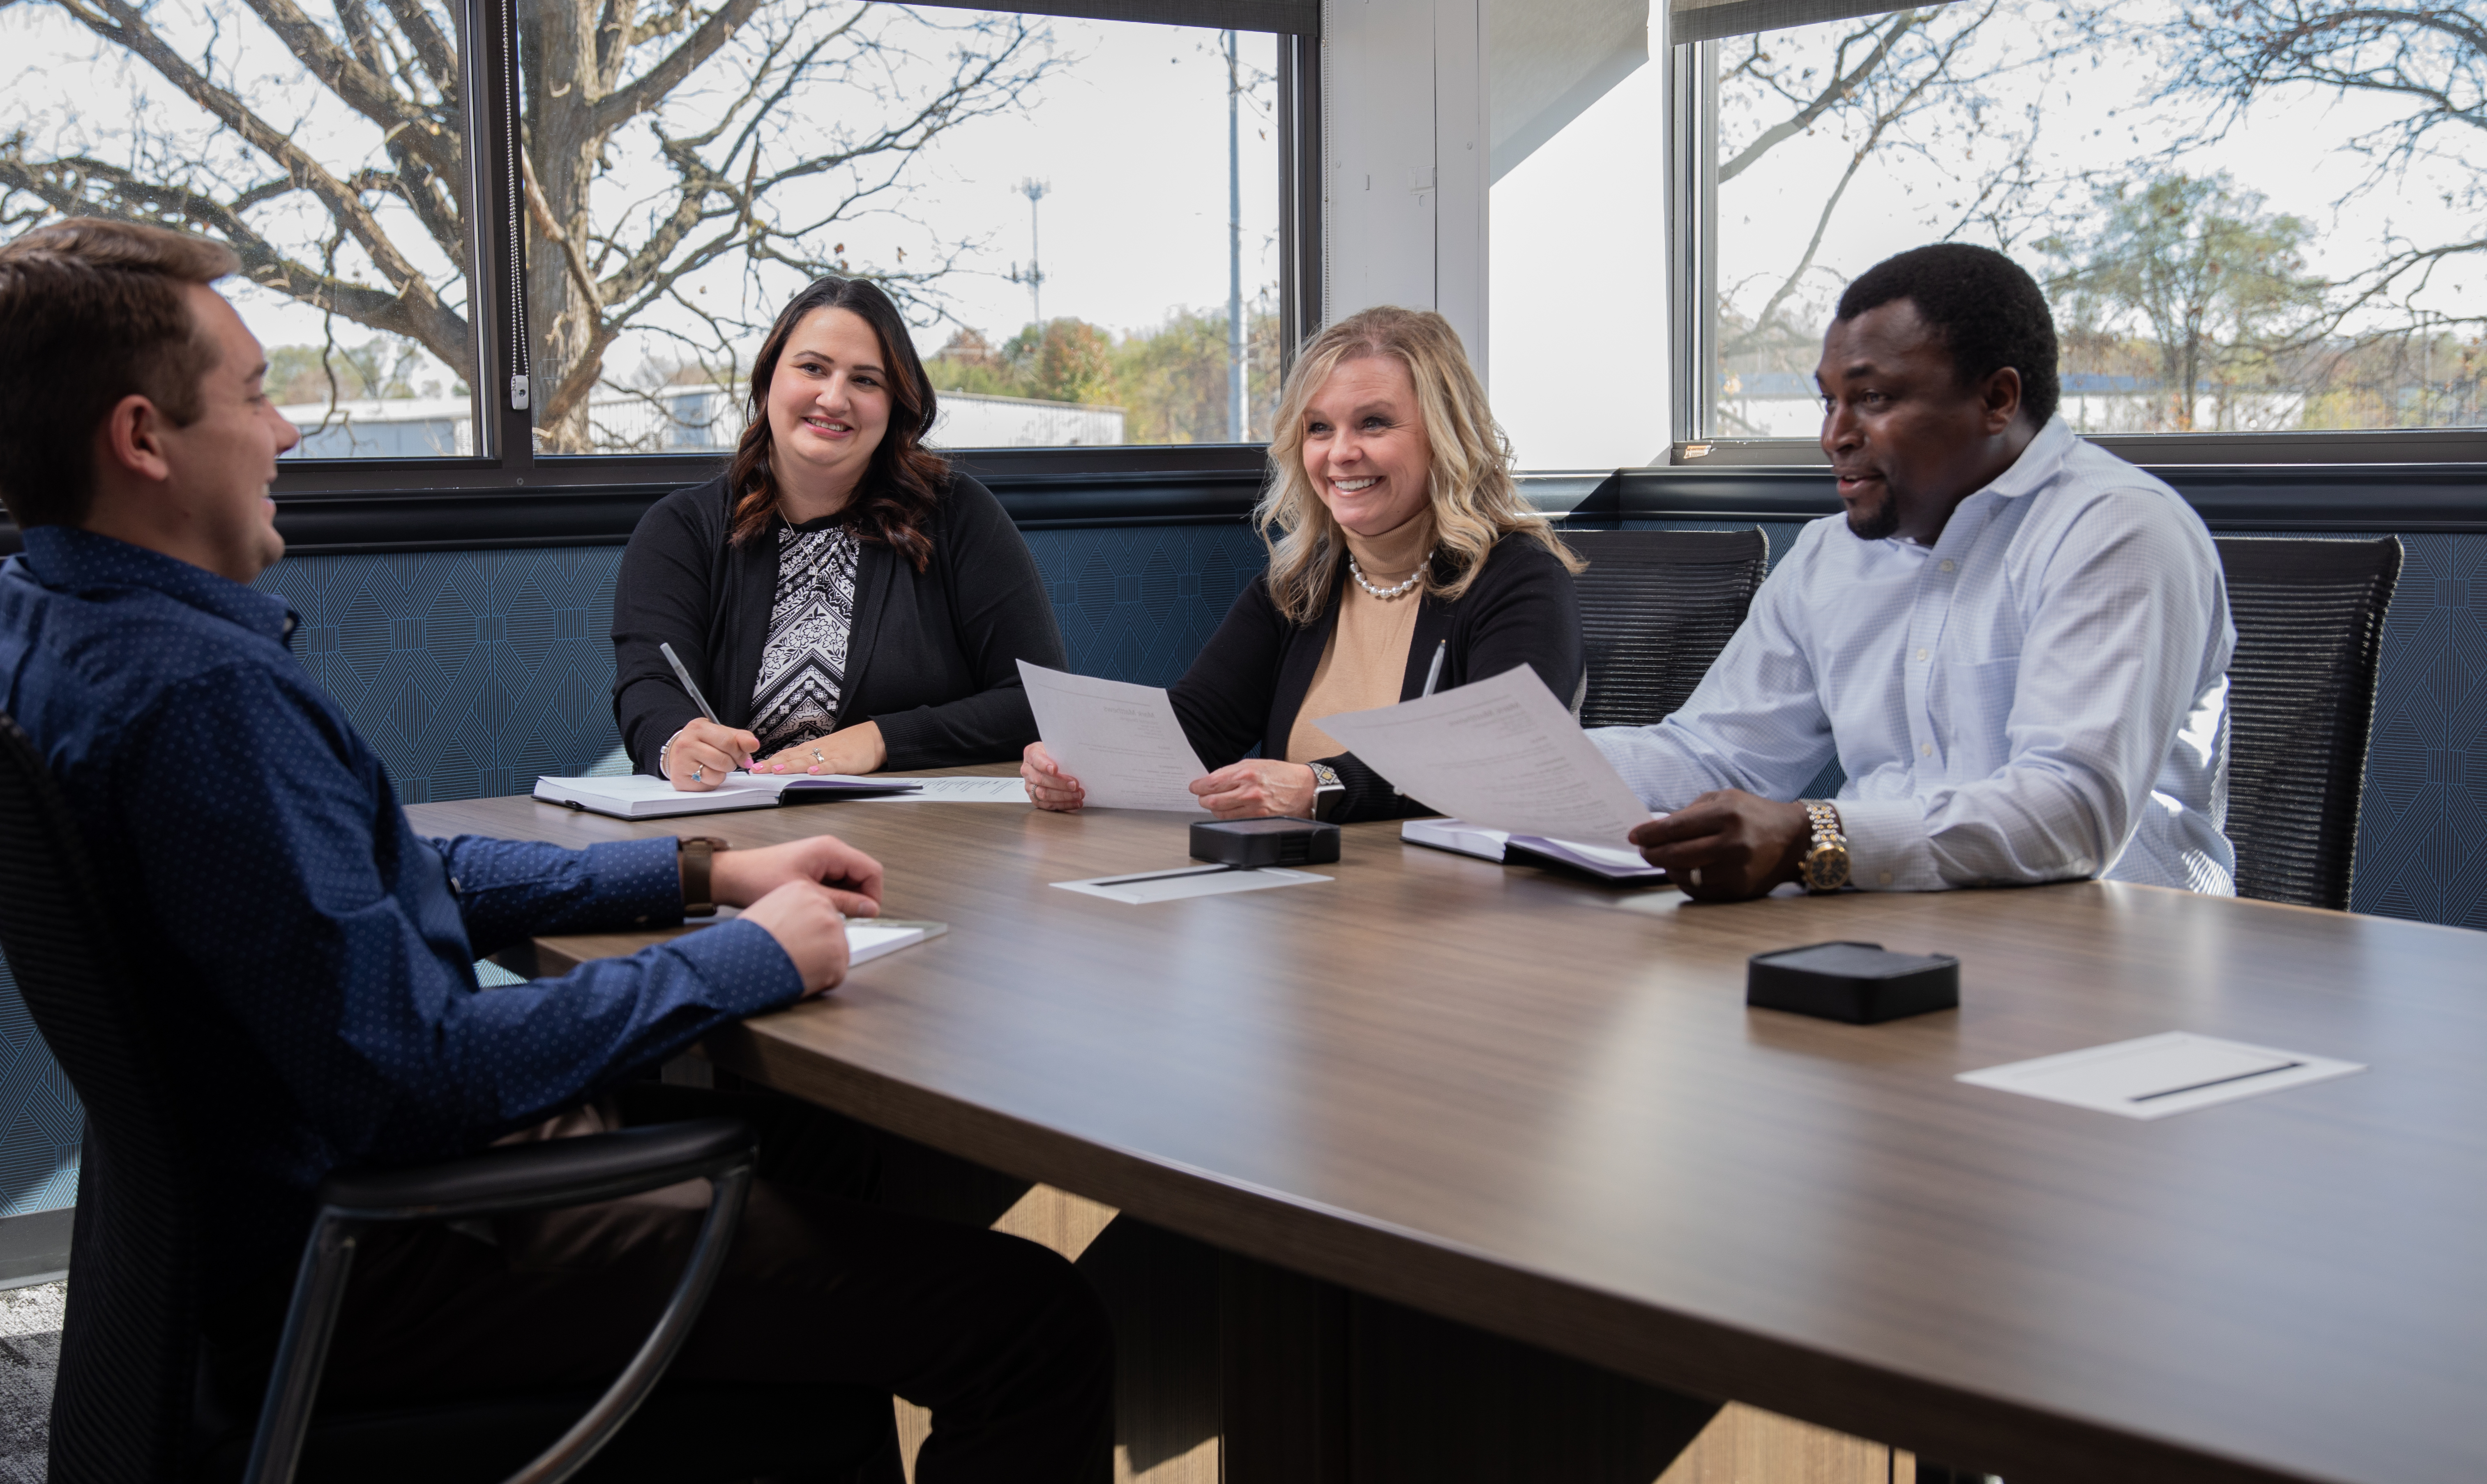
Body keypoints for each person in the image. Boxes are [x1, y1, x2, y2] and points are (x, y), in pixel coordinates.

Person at [0, 219, 1115, 1484]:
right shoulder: (200, 693)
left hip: (332, 1221)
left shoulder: (68, 617)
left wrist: (699, 869)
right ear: (142, 435)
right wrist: (754, 953)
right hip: (411, 1245)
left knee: (824, 1158)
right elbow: (419, 1073)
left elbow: (390, 864)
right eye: (253, 389)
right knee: (1032, 1322)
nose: (289, 423)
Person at [1597, 243, 2234, 900]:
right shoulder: (1829, 555)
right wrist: (1518, 762)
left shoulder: (2117, 529)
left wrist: (1814, 838)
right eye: (1829, 402)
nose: (1835, 436)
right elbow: (1716, 757)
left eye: (1872, 397)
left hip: (2114, 952)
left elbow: (2070, 813)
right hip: (1878, 930)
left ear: (1997, 399)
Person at [1022, 305, 1583, 821]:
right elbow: (1197, 729)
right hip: (1302, 899)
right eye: (1319, 428)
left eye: (1374, 423)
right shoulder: (1301, 583)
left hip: (1450, 905)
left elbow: (1498, 756)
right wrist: (1076, 760)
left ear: (1444, 436)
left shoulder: (1518, 578)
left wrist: (1321, 786)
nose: (1340, 453)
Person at [614, 277, 1065, 787]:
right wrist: (677, 741)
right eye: (812, 368)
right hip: (738, 830)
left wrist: (881, 740)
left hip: (923, 836)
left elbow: (1039, 700)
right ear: (767, 383)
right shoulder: (681, 529)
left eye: (866, 381)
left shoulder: (957, 515)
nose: (834, 398)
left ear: (896, 404)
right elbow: (648, 687)